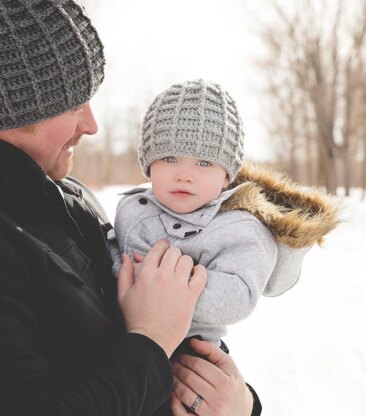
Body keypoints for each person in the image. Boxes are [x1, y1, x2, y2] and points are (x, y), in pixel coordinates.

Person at [0, 1, 260, 416]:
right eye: (72, 106)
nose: (91, 125)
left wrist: (234, 402)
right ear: (12, 111)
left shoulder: (71, 200)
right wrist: (151, 340)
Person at [109, 79, 340, 352]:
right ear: (148, 164)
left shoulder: (240, 228)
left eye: (204, 163)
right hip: (118, 343)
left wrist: (155, 284)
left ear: (227, 175)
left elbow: (236, 297)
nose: (184, 174)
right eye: (169, 158)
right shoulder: (134, 209)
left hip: (192, 351)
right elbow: (110, 252)